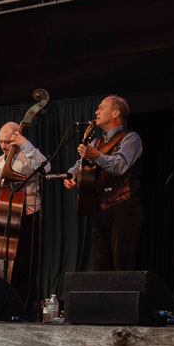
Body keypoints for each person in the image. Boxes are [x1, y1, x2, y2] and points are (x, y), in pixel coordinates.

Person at [64, 95, 144, 271]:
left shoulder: (131, 138)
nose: (96, 112)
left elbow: (119, 166)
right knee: (100, 265)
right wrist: (72, 175)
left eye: (101, 108)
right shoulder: (97, 141)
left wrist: (95, 155)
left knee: (122, 264)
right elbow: (80, 163)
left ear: (116, 113)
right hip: (99, 208)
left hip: (124, 206)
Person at [0, 122, 50, 308]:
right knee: (4, 261)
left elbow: (46, 168)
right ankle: (2, 303)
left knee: (25, 263)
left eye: (7, 142)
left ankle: (25, 306)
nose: (3, 146)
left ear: (16, 138)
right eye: (0, 142)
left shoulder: (28, 157)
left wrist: (25, 144)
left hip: (28, 215)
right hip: (5, 215)